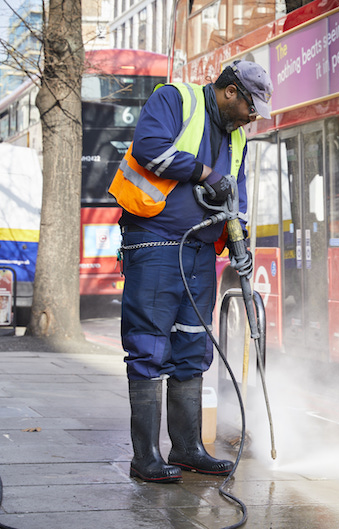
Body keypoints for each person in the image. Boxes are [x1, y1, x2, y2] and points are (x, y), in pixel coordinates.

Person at [109, 60, 273, 483]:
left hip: (200, 251)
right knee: (149, 346)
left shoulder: (238, 138)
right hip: (154, 243)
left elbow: (234, 195)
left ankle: (187, 449)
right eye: (251, 106)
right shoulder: (175, 99)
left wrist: (240, 244)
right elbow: (148, 148)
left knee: (193, 348)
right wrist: (203, 173)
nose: (252, 117)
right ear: (231, 91)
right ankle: (145, 457)